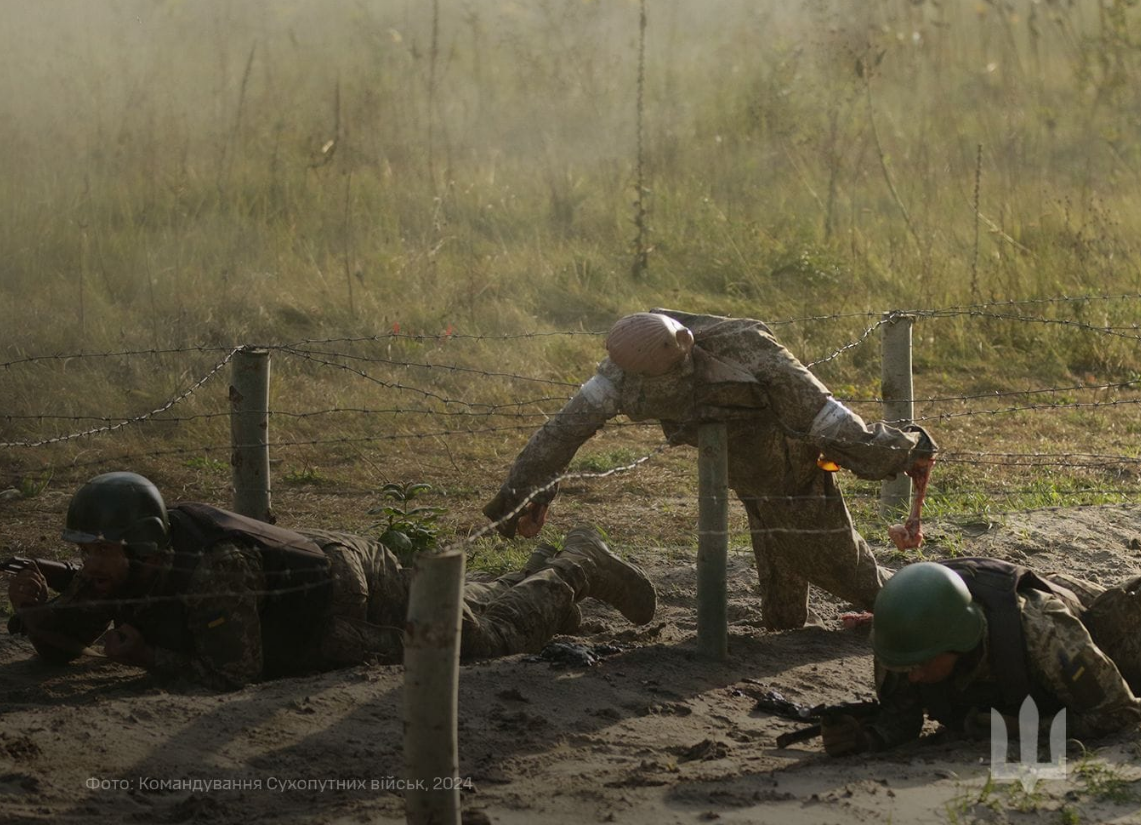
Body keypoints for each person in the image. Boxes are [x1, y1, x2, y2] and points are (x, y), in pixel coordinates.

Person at [483, 309, 936, 630]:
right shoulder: (622, 370)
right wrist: (525, 497)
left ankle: (932, 610)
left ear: (681, 365)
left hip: (790, 454)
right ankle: (786, 629)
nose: (636, 390)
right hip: (742, 463)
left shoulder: (751, 352)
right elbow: (562, 433)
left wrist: (903, 451)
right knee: (774, 540)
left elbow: (829, 420)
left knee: (839, 566)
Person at [5, 472, 656, 690]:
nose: (89, 566)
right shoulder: (125, 567)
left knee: (485, 639)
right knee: (477, 616)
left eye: (99, 551)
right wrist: (39, 611)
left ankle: (577, 563)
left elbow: (234, 672)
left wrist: (148, 656)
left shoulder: (213, 573)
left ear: (138, 544)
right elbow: (66, 643)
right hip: (309, 593)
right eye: (81, 553)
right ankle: (551, 584)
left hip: (347, 593)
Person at [821, 559, 1141, 756]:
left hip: (1105, 631)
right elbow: (901, 719)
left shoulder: (1042, 632)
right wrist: (865, 738)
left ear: (960, 640)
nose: (912, 677)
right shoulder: (906, 640)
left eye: (919, 666)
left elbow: (1121, 714)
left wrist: (1025, 729)